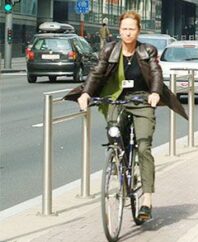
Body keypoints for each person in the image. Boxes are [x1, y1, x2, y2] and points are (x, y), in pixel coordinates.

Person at [64, 11, 188, 221]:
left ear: (138, 31)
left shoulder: (147, 50)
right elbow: (97, 72)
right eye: (124, 29)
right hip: (116, 97)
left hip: (141, 100)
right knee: (114, 133)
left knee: (143, 145)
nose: (127, 33)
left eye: (131, 29)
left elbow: (156, 72)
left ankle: (146, 200)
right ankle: (118, 161)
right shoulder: (110, 49)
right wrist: (86, 93)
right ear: (119, 30)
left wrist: (156, 93)